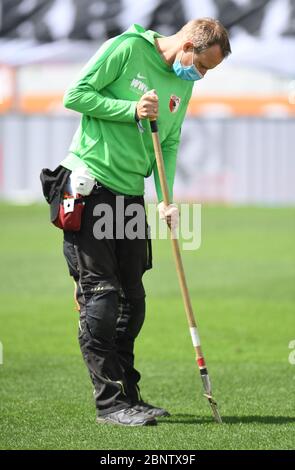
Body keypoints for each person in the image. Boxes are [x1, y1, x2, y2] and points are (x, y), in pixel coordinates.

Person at [60, 18, 231, 426]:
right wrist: (131, 109)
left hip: (130, 194)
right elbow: (75, 95)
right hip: (89, 184)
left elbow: (168, 142)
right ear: (188, 43)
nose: (200, 76)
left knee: (132, 303)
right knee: (101, 296)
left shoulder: (182, 83)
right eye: (202, 66)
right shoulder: (126, 48)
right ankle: (109, 405)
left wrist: (166, 199)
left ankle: (129, 396)